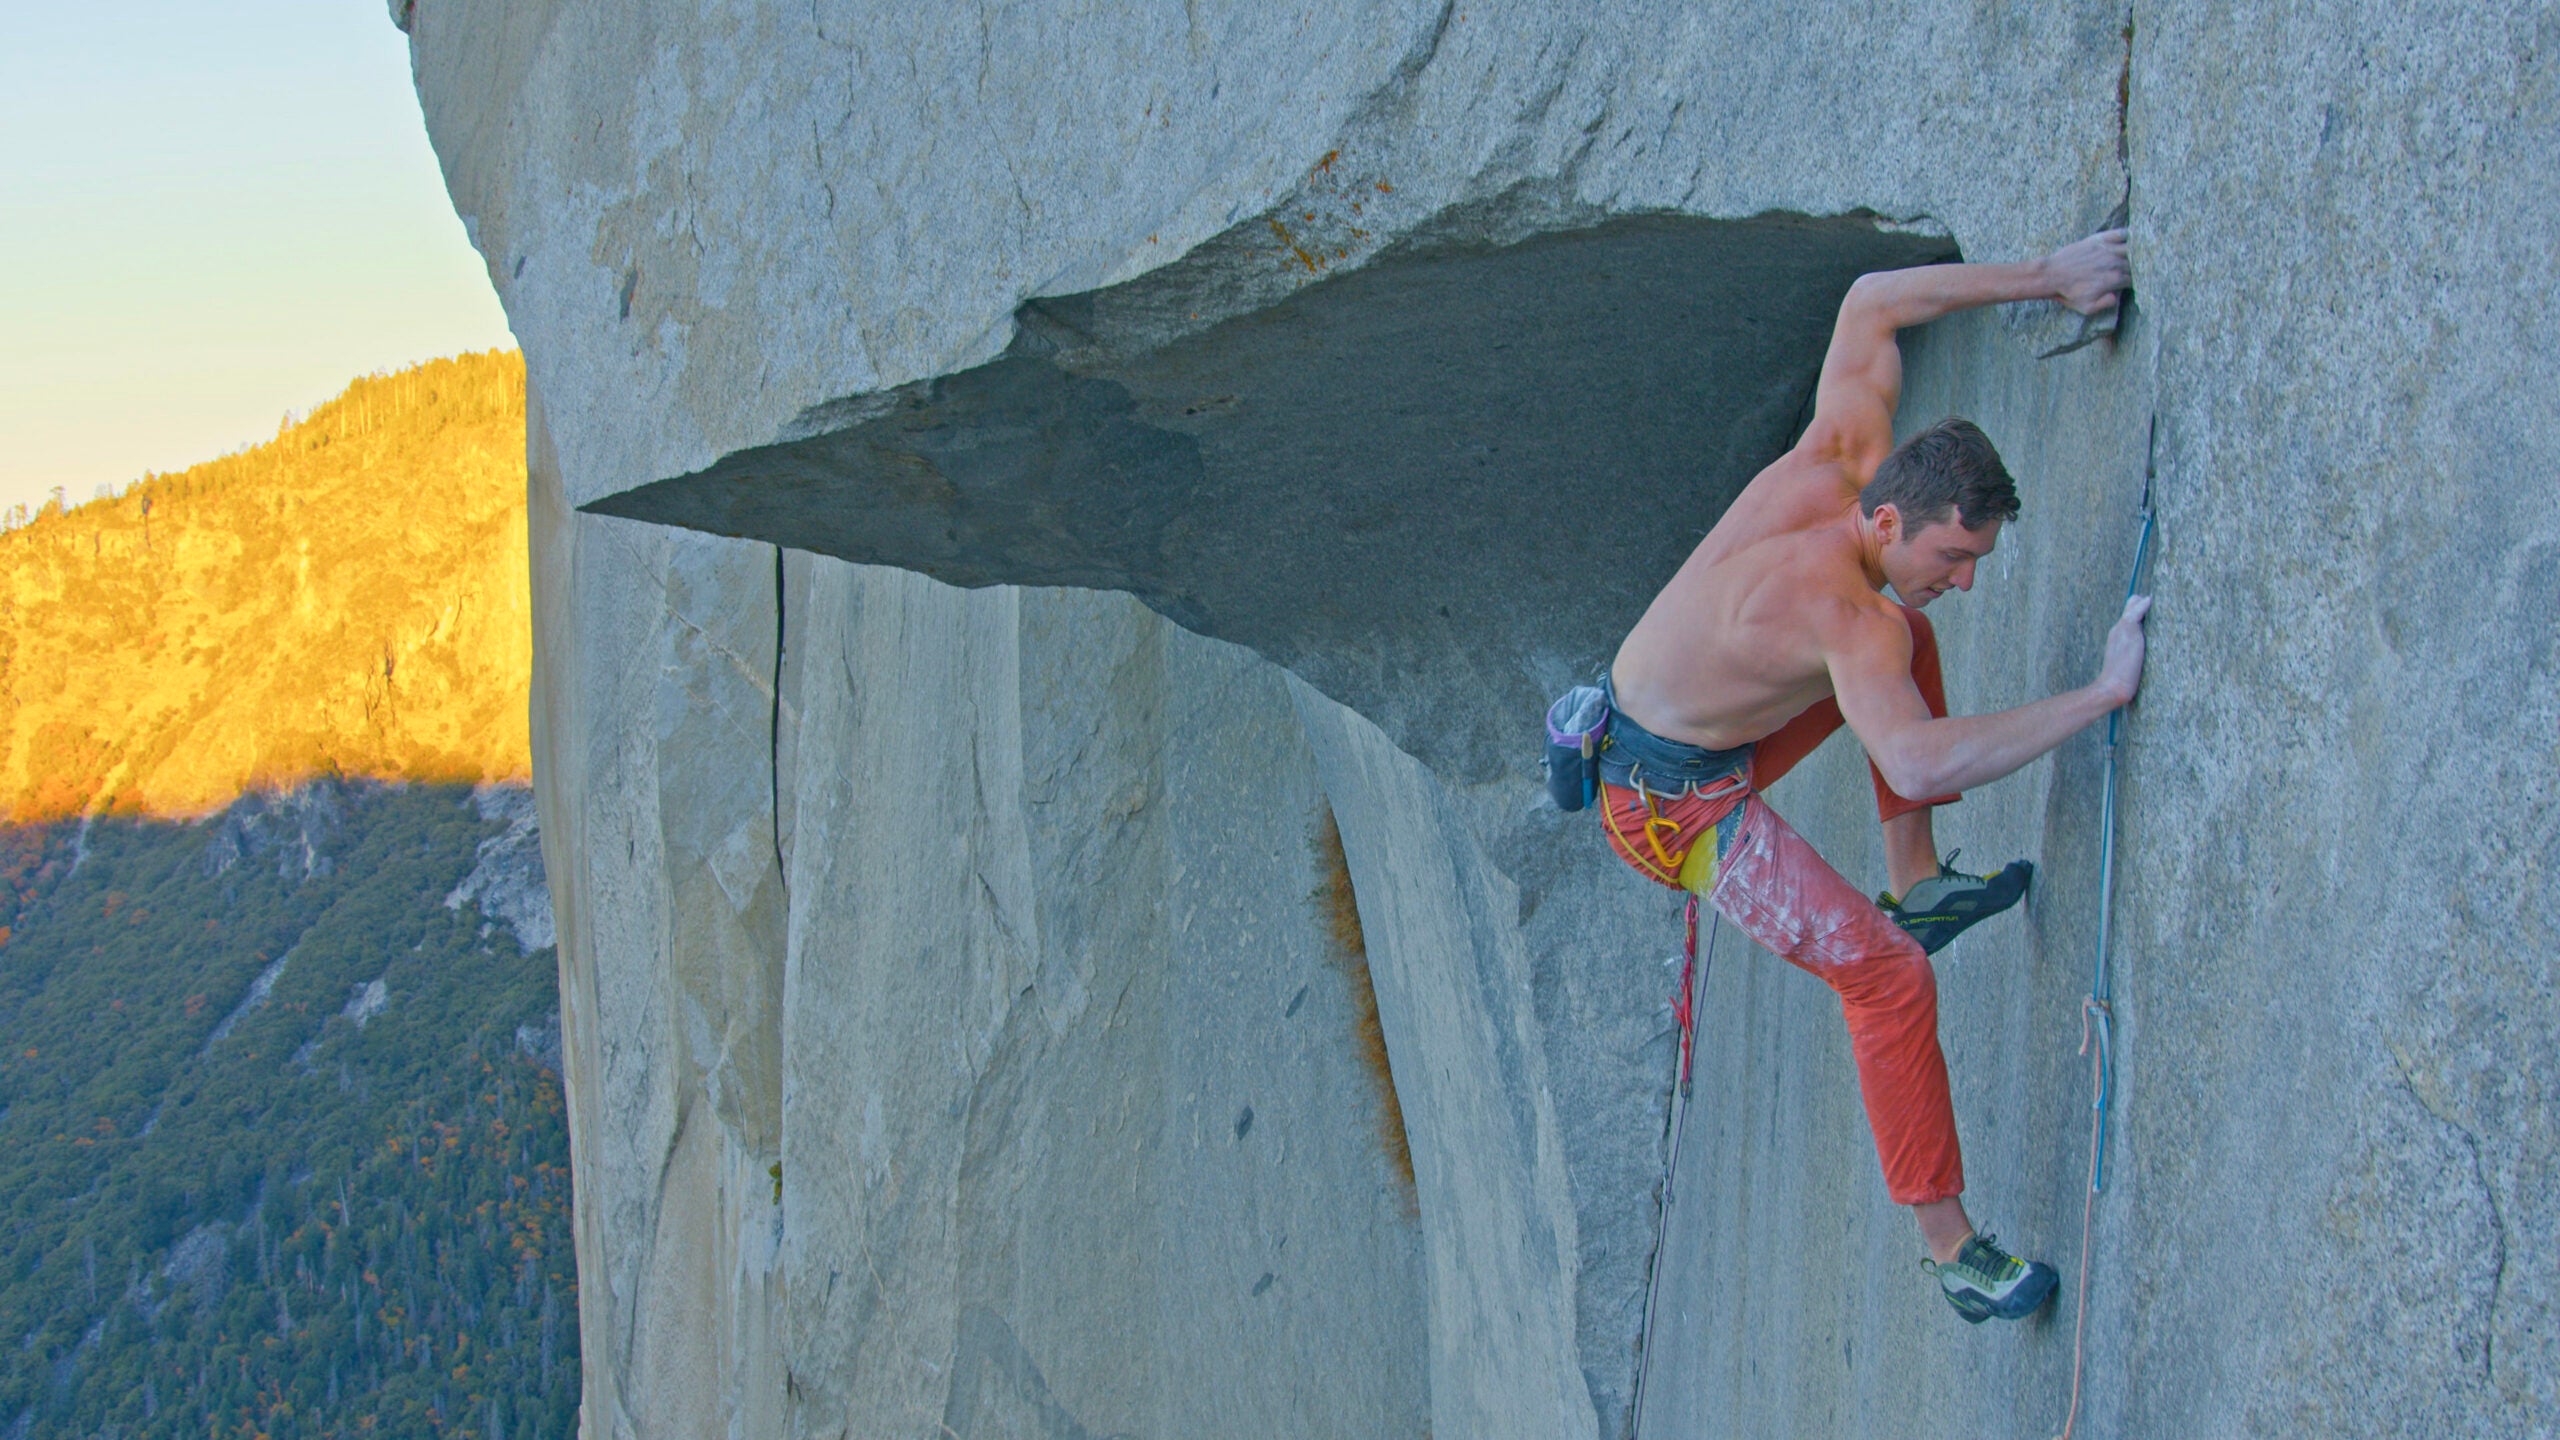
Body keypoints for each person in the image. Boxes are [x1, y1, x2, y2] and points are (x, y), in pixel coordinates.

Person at [1598, 228, 2148, 1323]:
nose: (1965, 578)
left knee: (1906, 639)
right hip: (1665, 812)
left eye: (1975, 560)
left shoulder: (1846, 456)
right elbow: (1914, 752)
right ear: (1892, 519)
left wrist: (2050, 276)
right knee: (1887, 977)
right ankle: (1953, 1256)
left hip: (1680, 728)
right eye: (1954, 557)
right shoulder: (1843, 614)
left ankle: (1919, 874)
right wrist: (2098, 696)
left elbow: (1871, 301)